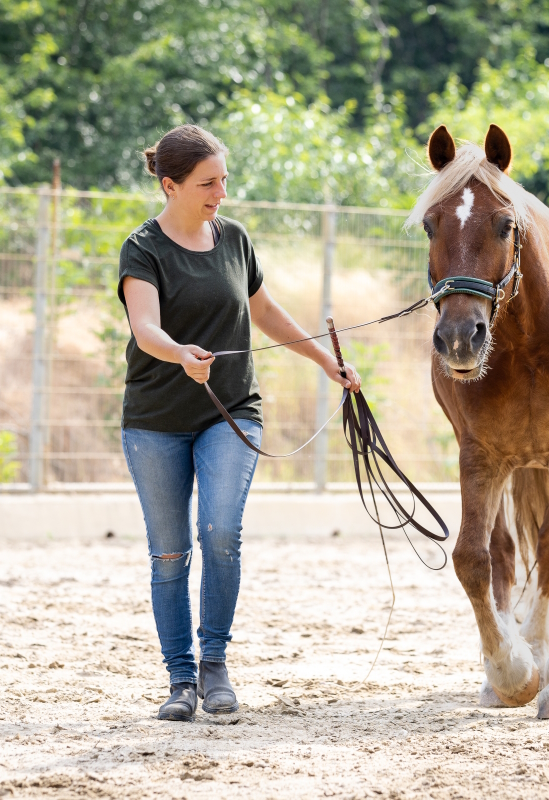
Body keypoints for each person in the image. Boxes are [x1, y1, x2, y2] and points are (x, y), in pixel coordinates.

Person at [117, 124, 360, 722]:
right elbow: (144, 328)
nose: (221, 193)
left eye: (223, 180)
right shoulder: (142, 249)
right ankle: (180, 680)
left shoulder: (236, 240)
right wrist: (180, 354)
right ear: (170, 186)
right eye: (208, 183)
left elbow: (266, 311)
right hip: (154, 420)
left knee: (221, 533)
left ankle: (215, 664)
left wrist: (325, 361)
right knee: (169, 553)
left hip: (231, 412)